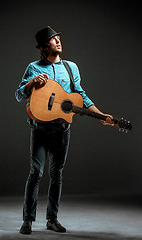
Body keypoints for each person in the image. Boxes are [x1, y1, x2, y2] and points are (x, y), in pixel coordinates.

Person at [15, 26, 114, 234]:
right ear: (43, 47)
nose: (58, 41)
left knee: (56, 174)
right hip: (40, 128)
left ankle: (52, 219)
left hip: (62, 129)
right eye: (53, 39)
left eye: (59, 38)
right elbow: (18, 94)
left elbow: (81, 96)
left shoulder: (71, 68)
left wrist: (101, 115)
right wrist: (31, 83)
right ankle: (28, 220)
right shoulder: (33, 67)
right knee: (35, 173)